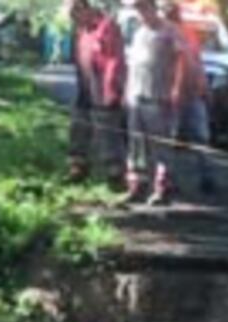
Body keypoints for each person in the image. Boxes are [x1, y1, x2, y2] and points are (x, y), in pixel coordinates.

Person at [123, 0, 185, 205]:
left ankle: (162, 188)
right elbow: (132, 66)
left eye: (142, 7)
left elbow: (182, 60)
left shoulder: (169, 31)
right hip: (136, 96)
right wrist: (127, 92)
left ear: (151, 7)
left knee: (160, 145)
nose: (139, 12)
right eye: (137, 9)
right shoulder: (138, 33)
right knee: (136, 145)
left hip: (158, 98)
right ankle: (137, 186)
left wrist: (176, 88)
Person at [67, 0, 126, 188]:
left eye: (76, 13)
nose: (74, 19)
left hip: (104, 87)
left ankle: (114, 173)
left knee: (108, 130)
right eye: (72, 16)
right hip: (85, 86)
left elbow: (114, 60)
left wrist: (111, 89)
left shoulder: (107, 27)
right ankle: (79, 166)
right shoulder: (81, 30)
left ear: (86, 8)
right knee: (79, 125)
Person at [164, 1, 216, 194]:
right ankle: (168, 179)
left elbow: (197, 63)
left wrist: (205, 89)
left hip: (193, 94)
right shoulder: (164, 36)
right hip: (172, 95)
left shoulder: (189, 34)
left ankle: (207, 177)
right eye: (170, 14)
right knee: (171, 138)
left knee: (201, 137)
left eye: (175, 14)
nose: (174, 17)